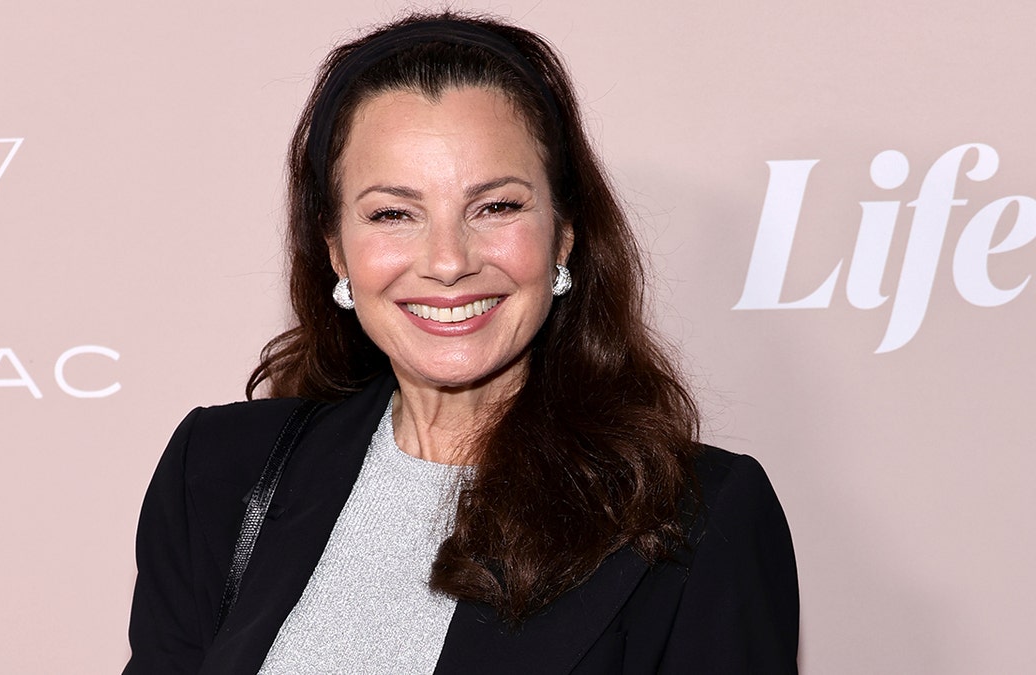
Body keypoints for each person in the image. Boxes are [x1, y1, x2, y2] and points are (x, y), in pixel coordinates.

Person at [123, 11, 798, 674]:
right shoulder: (216, 472)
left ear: (563, 231)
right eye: (393, 213)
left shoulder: (697, 521)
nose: (448, 261)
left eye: (496, 206)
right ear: (336, 250)